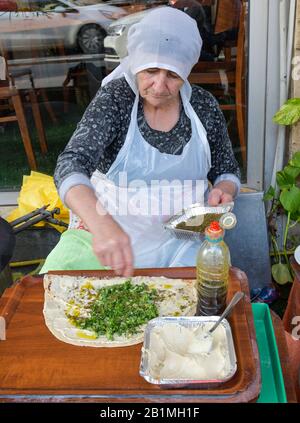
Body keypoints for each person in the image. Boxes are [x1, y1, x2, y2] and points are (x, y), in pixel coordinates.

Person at [40, 7, 241, 276]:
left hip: (182, 244)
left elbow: (226, 170)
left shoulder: (203, 106)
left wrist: (225, 189)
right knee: (56, 282)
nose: (159, 86)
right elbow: (70, 164)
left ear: (186, 71)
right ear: (136, 63)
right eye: (150, 71)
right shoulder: (116, 100)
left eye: (172, 75)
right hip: (106, 238)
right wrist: (101, 226)